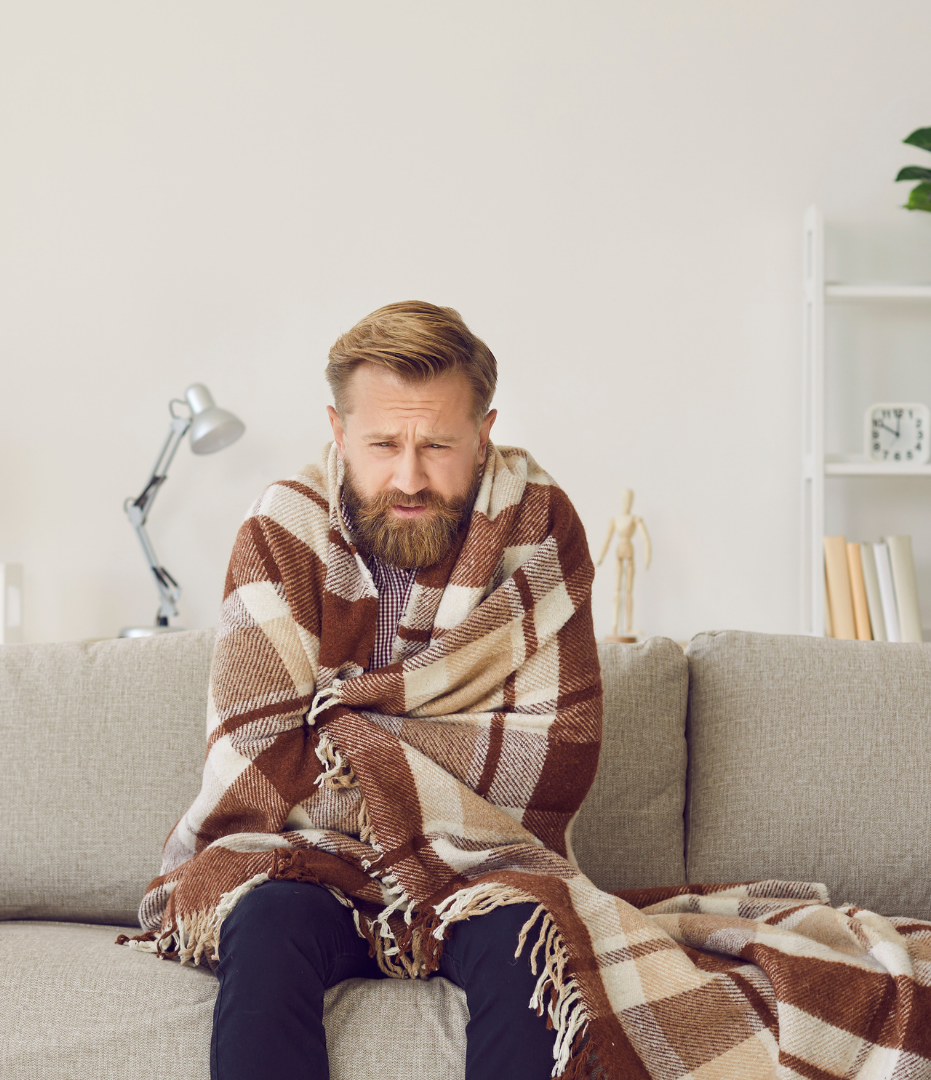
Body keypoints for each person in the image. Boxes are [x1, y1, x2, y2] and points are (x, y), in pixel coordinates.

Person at [126, 302, 605, 1080]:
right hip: (306, 859)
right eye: (383, 444)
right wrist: (410, 763)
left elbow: (558, 749)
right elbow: (258, 755)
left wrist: (353, 734)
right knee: (268, 915)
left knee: (531, 931)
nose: (409, 477)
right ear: (338, 431)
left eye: (439, 445)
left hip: (486, 862)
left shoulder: (539, 528)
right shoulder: (282, 529)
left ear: (484, 434)